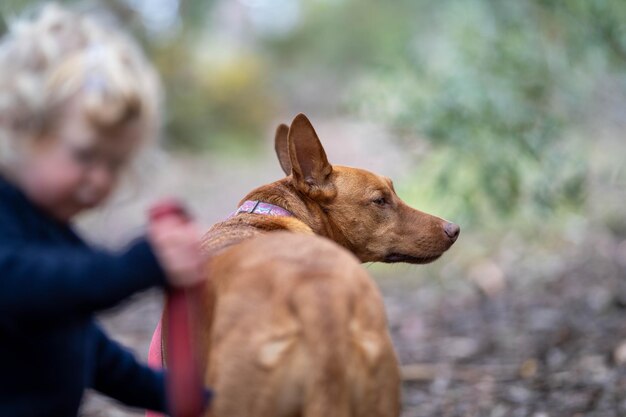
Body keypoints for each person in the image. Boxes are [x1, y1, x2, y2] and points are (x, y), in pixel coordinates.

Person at [0, 4, 207, 416]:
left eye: (114, 164)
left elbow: (88, 350)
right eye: (85, 155)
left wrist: (184, 397)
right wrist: (138, 264)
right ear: (19, 127)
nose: (99, 179)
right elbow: (27, 285)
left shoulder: (51, 232)